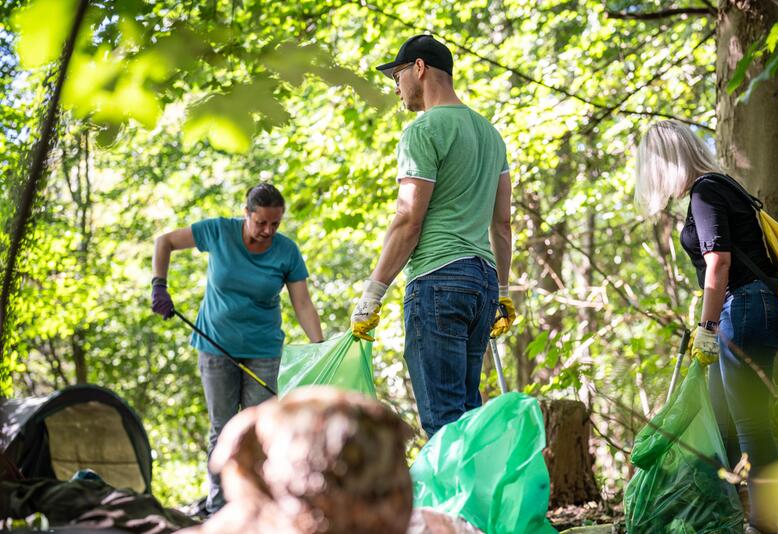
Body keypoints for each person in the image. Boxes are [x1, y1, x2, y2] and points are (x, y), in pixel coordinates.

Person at [349, 34, 514, 438]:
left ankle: (451, 503)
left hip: (438, 280)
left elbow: (408, 219)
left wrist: (373, 293)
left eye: (398, 75)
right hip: (483, 284)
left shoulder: (422, 132)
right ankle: (475, 502)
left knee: (443, 423)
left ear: (419, 68)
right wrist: (504, 291)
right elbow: (502, 224)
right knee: (467, 416)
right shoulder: (491, 135)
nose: (396, 86)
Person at [636, 120, 778, 534]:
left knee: (747, 423)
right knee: (728, 418)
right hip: (752, 307)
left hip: (745, 309)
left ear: (665, 162)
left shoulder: (706, 192)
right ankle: (738, 511)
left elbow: (718, 264)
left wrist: (706, 327)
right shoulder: (721, 186)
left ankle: (766, 521)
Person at [150, 183, 325, 514]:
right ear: (246, 213)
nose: (268, 230)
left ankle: (262, 506)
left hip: (264, 350)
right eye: (261, 222)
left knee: (264, 431)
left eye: (275, 224)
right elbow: (165, 242)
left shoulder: (286, 251)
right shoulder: (219, 231)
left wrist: (319, 346)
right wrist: (159, 284)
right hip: (216, 346)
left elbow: (302, 303)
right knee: (224, 429)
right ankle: (221, 508)